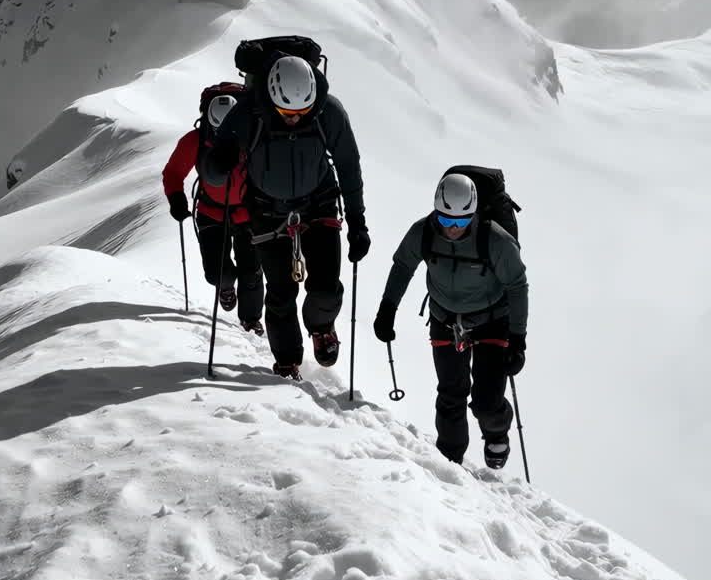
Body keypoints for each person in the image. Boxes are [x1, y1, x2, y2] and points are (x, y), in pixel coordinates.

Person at [210, 53, 370, 378]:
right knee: (281, 291)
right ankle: (287, 361)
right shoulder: (249, 112)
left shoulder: (329, 112)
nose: (295, 118)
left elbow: (348, 167)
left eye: (301, 112)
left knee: (325, 287)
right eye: (286, 112)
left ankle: (321, 326)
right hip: (266, 210)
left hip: (319, 203)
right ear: (271, 95)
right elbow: (213, 166)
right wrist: (219, 163)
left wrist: (358, 224)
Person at [374, 172, 528, 469]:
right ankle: (449, 462)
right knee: (450, 392)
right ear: (436, 212)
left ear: (473, 213)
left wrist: (518, 339)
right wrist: (387, 308)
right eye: (446, 220)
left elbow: (517, 286)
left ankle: (496, 432)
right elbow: (403, 265)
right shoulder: (424, 232)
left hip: (492, 321)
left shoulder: (494, 239)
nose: (454, 228)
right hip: (445, 318)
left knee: (485, 399)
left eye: (461, 221)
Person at [162, 85, 264, 332]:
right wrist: (176, 198)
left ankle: (250, 321)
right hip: (210, 211)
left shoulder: (252, 136)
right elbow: (174, 172)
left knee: (251, 271)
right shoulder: (195, 141)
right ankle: (225, 285)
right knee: (216, 273)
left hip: (247, 212)